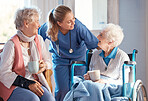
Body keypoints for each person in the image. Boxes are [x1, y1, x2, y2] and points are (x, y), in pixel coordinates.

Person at [38, 5, 99, 101]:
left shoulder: (78, 27)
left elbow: (93, 43)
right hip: (60, 59)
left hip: (78, 59)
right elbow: (36, 39)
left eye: (73, 18)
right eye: (69, 21)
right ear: (59, 23)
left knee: (78, 88)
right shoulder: (48, 27)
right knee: (63, 90)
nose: (73, 22)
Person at [0, 7, 55, 101]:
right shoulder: (11, 44)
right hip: (15, 85)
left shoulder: (39, 39)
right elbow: (4, 74)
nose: (39, 25)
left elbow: (49, 61)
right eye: (37, 21)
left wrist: (44, 65)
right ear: (26, 23)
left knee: (49, 99)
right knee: (33, 99)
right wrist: (27, 83)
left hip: (35, 82)